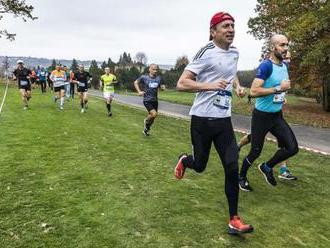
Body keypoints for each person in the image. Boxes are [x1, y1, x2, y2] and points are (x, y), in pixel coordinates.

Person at [174, 11, 253, 234]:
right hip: (202, 120)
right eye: (225, 26)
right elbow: (182, 83)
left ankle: (234, 219)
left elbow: (230, 71)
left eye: (232, 26)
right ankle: (185, 160)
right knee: (200, 165)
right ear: (213, 32)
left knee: (231, 166)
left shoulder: (235, 52)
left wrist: (236, 85)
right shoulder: (206, 52)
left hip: (223, 121)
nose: (231, 30)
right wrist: (209, 86)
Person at [238, 34, 299, 192]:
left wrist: (281, 97)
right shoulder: (266, 66)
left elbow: (280, 89)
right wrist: (279, 89)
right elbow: (253, 90)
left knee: (292, 148)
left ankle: (267, 167)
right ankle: (241, 177)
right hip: (262, 116)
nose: (286, 49)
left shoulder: (284, 66)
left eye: (287, 45)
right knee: (255, 151)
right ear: (273, 48)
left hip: (277, 116)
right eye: (282, 45)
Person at [133, 64, 161, 136]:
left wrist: (161, 89)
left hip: (155, 100)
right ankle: (146, 120)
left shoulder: (158, 78)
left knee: (153, 118)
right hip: (147, 100)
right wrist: (139, 91)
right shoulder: (144, 77)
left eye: (156, 69)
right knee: (154, 114)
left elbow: (158, 87)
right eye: (153, 69)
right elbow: (135, 82)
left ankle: (146, 129)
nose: (155, 71)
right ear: (149, 69)